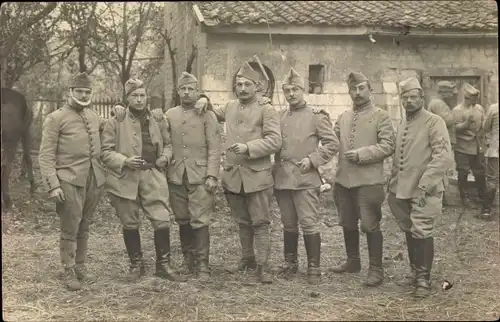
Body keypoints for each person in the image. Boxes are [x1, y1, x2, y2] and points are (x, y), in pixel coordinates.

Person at [100, 78, 186, 282]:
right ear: (127, 98)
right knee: (130, 222)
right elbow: (105, 152)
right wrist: (124, 160)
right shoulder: (115, 121)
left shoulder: (158, 119)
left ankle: (163, 266)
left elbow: (168, 144)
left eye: (142, 95)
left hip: (152, 175)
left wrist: (165, 157)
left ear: (147, 97)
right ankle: (135, 265)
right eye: (134, 96)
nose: (139, 100)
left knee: (162, 218)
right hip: (125, 177)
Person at [203, 62, 282, 283]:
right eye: (239, 84)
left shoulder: (267, 109)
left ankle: (263, 266)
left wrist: (249, 148)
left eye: (248, 84)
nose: (243, 88)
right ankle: (247, 259)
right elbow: (209, 113)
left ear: (257, 86)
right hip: (233, 177)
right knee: (242, 221)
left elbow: (275, 141)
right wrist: (202, 99)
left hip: (257, 176)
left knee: (260, 222)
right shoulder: (229, 106)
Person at [39, 72, 107, 291]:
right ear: (70, 92)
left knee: (84, 224)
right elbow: (46, 155)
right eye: (79, 91)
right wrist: (53, 185)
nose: (84, 95)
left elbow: (114, 124)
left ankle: (80, 266)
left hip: (93, 178)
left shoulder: (94, 116)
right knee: (70, 226)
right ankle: (68, 269)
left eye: (87, 92)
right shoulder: (55, 118)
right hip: (68, 179)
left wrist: (118, 109)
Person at [388, 77, 453, 298]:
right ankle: (416, 272)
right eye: (404, 97)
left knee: (422, 229)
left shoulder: (435, 122)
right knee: (410, 228)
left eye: (413, 97)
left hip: (426, 188)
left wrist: (425, 184)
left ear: (422, 98)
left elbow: (443, 157)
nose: (408, 101)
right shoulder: (403, 124)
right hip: (403, 188)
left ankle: (423, 279)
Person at [329, 71, 395, 287]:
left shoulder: (381, 116)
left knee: (369, 225)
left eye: (361, 88)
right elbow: (331, 139)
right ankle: (353, 261)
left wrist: (362, 154)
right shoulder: (344, 117)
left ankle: (376, 269)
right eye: (353, 89)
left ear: (369, 90)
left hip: (369, 182)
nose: (357, 93)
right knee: (347, 222)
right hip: (344, 181)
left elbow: (388, 145)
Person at [273, 68, 338, 284]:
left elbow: (332, 143)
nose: (291, 94)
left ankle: (314, 268)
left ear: (303, 90)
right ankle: (290, 263)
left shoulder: (316, 116)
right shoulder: (279, 117)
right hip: (282, 179)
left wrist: (313, 160)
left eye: (295, 90)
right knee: (288, 224)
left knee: (309, 223)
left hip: (305, 179)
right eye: (287, 90)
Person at [164, 72, 221, 281]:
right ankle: (189, 261)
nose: (187, 93)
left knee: (200, 220)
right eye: (183, 89)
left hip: (200, 175)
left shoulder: (207, 114)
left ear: (198, 92)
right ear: (178, 91)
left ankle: (203, 265)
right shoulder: (169, 114)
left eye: (191, 89)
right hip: (176, 175)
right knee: (182, 219)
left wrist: (212, 175)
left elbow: (215, 147)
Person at [452, 84, 486, 209]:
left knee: (480, 172)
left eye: (476, 99)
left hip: (476, 146)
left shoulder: (479, 108)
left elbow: (483, 124)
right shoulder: (457, 110)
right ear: (466, 98)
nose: (475, 101)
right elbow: (454, 128)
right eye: (473, 99)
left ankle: (482, 196)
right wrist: (467, 123)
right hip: (462, 147)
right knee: (463, 172)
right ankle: (465, 198)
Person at [427, 81, 457, 206]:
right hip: (441, 142)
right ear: (443, 92)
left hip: (441, 141)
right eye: (449, 91)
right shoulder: (439, 103)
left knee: (442, 171)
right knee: (441, 171)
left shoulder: (438, 103)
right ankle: (439, 200)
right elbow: (447, 120)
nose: (452, 94)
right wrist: (457, 116)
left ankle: (441, 199)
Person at [481, 103, 499, 220]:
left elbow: (485, 127)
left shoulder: (494, 108)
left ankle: (486, 210)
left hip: (495, 150)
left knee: (492, 179)